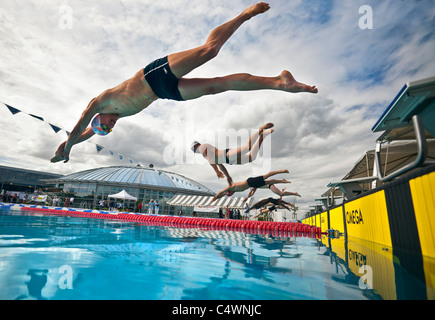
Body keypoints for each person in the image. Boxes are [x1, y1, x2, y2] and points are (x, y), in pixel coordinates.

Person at [50, 2, 317, 164]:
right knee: (216, 86)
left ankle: (244, 15)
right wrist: (70, 149)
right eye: (109, 129)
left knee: (210, 51)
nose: (111, 125)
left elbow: (78, 130)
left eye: (106, 125)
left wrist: (68, 148)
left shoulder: (100, 102)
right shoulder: (110, 118)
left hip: (153, 75)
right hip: (165, 93)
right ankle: (280, 82)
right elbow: (89, 133)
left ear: (98, 116)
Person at [191, 123, 274, 185]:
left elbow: (210, 159)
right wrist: (228, 176)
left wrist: (217, 172)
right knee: (251, 157)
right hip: (229, 160)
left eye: (195, 151)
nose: (196, 152)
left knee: (247, 147)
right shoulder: (205, 149)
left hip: (227, 155)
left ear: (195, 147)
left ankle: (260, 130)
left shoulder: (201, 147)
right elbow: (220, 165)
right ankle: (262, 137)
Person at [211, 169, 290, 201]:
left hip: (250, 182)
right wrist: (247, 197)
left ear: (229, 191)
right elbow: (223, 194)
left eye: (229, 193)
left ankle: (280, 171)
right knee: (268, 182)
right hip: (251, 184)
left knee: (266, 176)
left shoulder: (231, 187)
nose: (231, 194)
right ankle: (281, 181)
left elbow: (221, 192)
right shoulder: (234, 190)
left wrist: (214, 197)